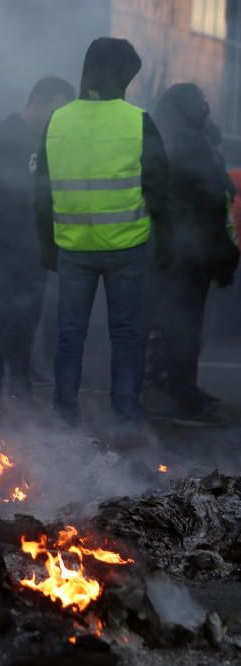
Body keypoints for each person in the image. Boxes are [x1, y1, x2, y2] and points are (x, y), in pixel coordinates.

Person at [35, 37, 171, 440]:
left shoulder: (56, 121)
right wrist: (168, 241)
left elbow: (41, 191)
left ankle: (64, 417)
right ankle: (125, 419)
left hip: (72, 246)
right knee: (126, 335)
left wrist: (46, 244)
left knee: (69, 335)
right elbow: (159, 189)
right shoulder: (138, 120)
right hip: (127, 246)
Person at [0, 76, 76, 418]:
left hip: (38, 245)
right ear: (38, 101)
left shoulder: (51, 140)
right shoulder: (3, 136)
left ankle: (19, 389)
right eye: (56, 107)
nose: (59, 116)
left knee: (28, 317)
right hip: (6, 244)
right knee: (14, 313)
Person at [149, 83, 239, 425]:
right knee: (184, 328)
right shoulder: (187, 143)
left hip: (171, 251)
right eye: (201, 102)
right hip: (188, 255)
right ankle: (182, 397)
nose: (207, 108)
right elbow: (211, 199)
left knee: (173, 325)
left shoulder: (165, 137)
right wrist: (223, 253)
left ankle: (177, 391)